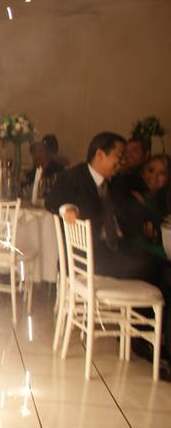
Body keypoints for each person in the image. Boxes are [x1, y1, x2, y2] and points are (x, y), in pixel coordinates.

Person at [46, 132, 171, 369]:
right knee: (155, 270)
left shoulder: (114, 181)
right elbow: (52, 199)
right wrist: (69, 209)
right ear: (100, 154)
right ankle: (144, 339)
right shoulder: (75, 176)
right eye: (119, 155)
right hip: (92, 258)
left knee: (163, 271)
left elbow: (140, 192)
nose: (122, 161)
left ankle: (147, 337)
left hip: (115, 250)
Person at [122, 154, 171, 260]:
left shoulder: (164, 199)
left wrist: (155, 237)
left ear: (168, 178)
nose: (154, 176)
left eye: (162, 173)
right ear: (143, 172)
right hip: (135, 250)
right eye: (151, 170)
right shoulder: (132, 194)